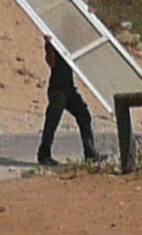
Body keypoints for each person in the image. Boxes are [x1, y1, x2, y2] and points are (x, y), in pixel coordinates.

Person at [36, 35, 99, 166]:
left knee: (84, 115)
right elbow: (51, 62)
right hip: (58, 89)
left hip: (69, 89)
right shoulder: (53, 43)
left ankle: (90, 154)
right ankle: (44, 155)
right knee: (52, 122)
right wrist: (49, 44)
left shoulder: (68, 44)